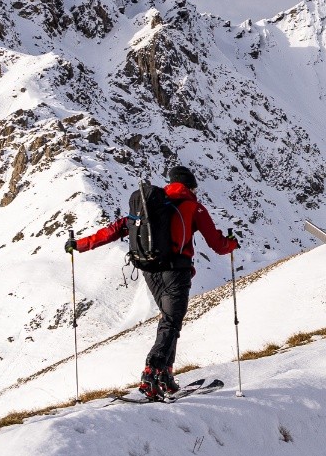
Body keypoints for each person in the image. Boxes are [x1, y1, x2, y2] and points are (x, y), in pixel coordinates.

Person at [68, 166, 239, 399]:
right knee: (171, 322)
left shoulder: (150, 207)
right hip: (176, 272)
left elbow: (115, 230)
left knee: (169, 322)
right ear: (190, 187)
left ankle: (165, 376)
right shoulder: (193, 207)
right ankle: (152, 373)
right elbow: (218, 245)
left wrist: (79, 244)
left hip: (150, 271)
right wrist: (232, 243)